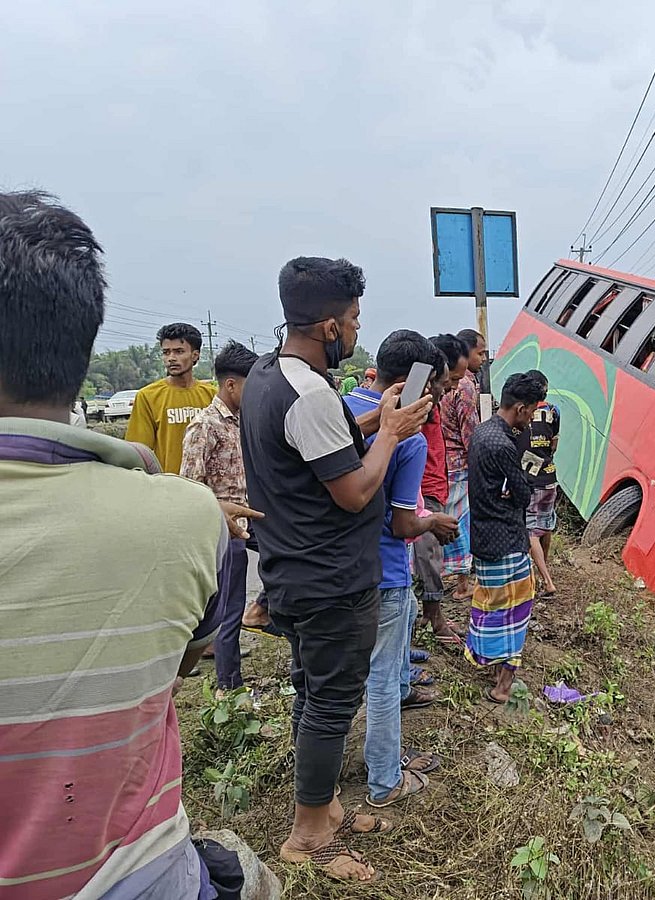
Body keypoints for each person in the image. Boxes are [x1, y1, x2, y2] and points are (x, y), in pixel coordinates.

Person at [0, 190, 275, 898]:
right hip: (148, 873)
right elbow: (161, 461)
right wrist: (168, 499)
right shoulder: (167, 436)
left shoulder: (208, 438)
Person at [240, 256, 431, 882]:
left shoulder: (271, 376)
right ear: (328, 325)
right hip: (330, 581)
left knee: (312, 694)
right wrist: (392, 434)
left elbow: (323, 440)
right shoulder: (310, 392)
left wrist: (378, 418)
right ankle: (309, 833)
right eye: (352, 318)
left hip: (294, 572)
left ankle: (324, 804)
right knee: (329, 705)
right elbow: (353, 490)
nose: (356, 330)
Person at [344, 330, 458, 807]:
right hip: (385, 573)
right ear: (418, 384)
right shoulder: (406, 437)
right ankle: (385, 779)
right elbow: (403, 522)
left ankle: (324, 779)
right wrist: (436, 522)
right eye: (435, 387)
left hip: (334, 570)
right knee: (385, 676)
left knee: (327, 680)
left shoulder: (341, 410)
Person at [181, 340, 263, 694]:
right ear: (231, 384)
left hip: (250, 521)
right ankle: (229, 689)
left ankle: (266, 613)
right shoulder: (205, 425)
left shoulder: (243, 421)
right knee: (228, 615)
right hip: (224, 531)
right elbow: (188, 487)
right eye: (250, 385)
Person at [465, 372, 541, 703]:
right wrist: (519, 487)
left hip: (482, 534)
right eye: (532, 411)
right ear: (522, 408)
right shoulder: (504, 445)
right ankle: (503, 686)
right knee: (516, 610)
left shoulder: (482, 432)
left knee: (491, 606)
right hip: (507, 538)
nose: (532, 419)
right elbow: (523, 495)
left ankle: (494, 669)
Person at [414, 348, 462, 647]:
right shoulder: (415, 408)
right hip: (424, 490)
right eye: (446, 381)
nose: (450, 388)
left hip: (436, 485)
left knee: (433, 555)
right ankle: (433, 617)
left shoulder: (434, 406)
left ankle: (431, 613)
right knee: (428, 555)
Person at [125, 321, 216, 473]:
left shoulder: (212, 395)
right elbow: (138, 454)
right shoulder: (148, 397)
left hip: (208, 489)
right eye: (166, 352)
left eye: (179, 351)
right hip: (169, 487)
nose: (171, 358)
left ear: (195, 355)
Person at [436, 332, 477, 601]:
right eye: (481, 353)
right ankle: (462, 583)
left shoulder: (440, 387)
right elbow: (470, 433)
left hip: (442, 464)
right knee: (459, 522)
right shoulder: (465, 387)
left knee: (442, 519)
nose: (483, 359)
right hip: (459, 465)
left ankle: (439, 576)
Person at [518, 370, 560, 598]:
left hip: (530, 478)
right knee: (546, 525)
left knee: (530, 530)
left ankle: (546, 580)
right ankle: (544, 565)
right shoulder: (554, 410)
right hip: (550, 475)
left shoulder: (522, 410)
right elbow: (554, 444)